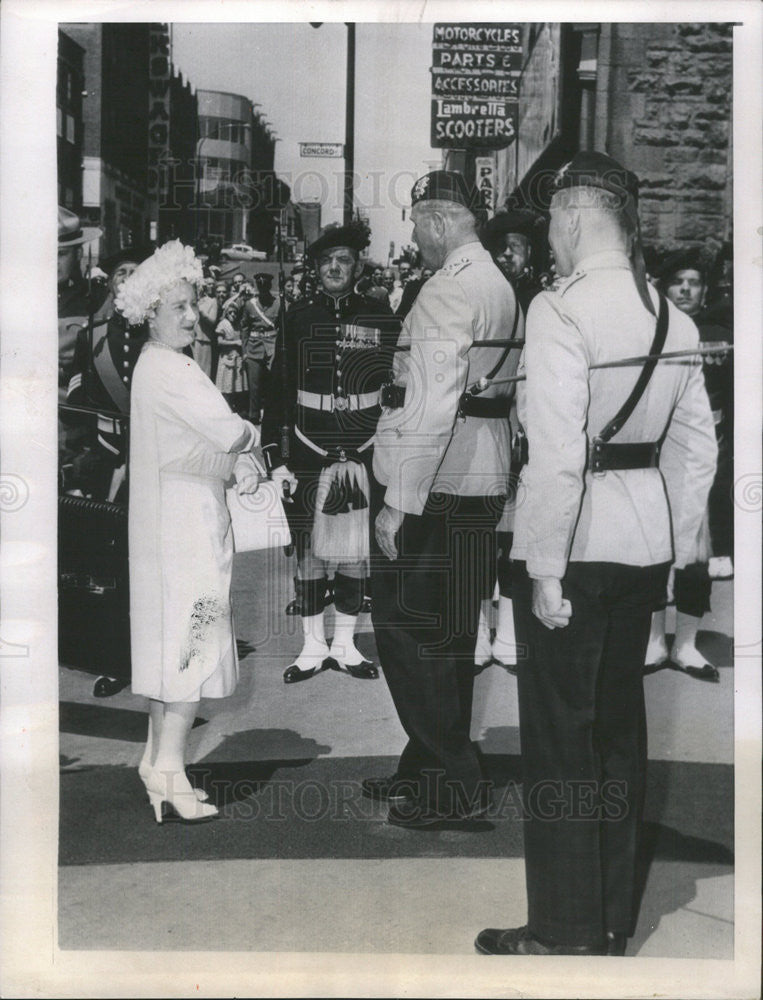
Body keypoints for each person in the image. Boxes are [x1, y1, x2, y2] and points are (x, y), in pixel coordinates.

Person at [474, 151, 717, 956]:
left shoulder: (559, 309)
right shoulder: (669, 316)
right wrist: (680, 546)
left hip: (572, 547)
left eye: (551, 220)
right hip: (642, 546)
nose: (548, 235)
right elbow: (695, 450)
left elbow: (553, 453)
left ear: (575, 218)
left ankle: (563, 926)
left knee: (557, 741)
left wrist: (542, 567)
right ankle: (613, 917)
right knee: (617, 731)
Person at [367, 170, 520, 828]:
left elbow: (429, 404)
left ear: (436, 220)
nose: (411, 235)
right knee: (453, 632)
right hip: (480, 477)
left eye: (414, 221)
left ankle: (452, 783)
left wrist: (398, 499)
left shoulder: (446, 290)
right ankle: (428, 764)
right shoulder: (498, 282)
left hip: (435, 481)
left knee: (408, 632)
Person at [119, 240, 261, 824]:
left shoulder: (158, 366)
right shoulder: (172, 371)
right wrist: (251, 432)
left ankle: (158, 762)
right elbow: (227, 431)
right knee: (192, 642)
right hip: (184, 526)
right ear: (148, 313)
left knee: (169, 643)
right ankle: (170, 774)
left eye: (190, 302)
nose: (188, 314)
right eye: (174, 305)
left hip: (171, 518)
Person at [261, 221, 397, 684]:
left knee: (356, 553)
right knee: (309, 551)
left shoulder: (382, 318)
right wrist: (273, 457)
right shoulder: (296, 317)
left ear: (357, 267)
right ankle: (312, 646)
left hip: (362, 449)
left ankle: (346, 643)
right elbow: (276, 390)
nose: (335, 268)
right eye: (326, 262)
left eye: (343, 261)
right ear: (315, 269)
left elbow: (393, 388)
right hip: (307, 449)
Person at [642, 247, 733, 682]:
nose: (684, 288)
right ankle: (656, 639)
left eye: (693, 282)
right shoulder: (651, 330)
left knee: (697, 552)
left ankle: (687, 644)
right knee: (655, 547)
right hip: (656, 455)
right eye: (678, 281)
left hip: (702, 455)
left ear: (705, 289)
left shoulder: (722, 333)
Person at [243, 271, 281, 423]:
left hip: (272, 347)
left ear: (270, 287)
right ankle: (254, 415)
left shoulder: (278, 303)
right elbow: (244, 328)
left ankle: (273, 415)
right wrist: (244, 351)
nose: (263, 290)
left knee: (274, 383)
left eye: (265, 287)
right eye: (260, 287)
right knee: (254, 385)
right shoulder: (250, 305)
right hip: (254, 347)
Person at [214, 302, 248, 414]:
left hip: (237, 358)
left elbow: (242, 340)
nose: (233, 315)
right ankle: (225, 409)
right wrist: (234, 343)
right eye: (230, 312)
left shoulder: (238, 325)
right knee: (226, 385)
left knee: (235, 385)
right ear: (226, 313)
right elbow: (219, 342)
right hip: (226, 358)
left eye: (235, 313)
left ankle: (235, 409)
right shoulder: (223, 324)